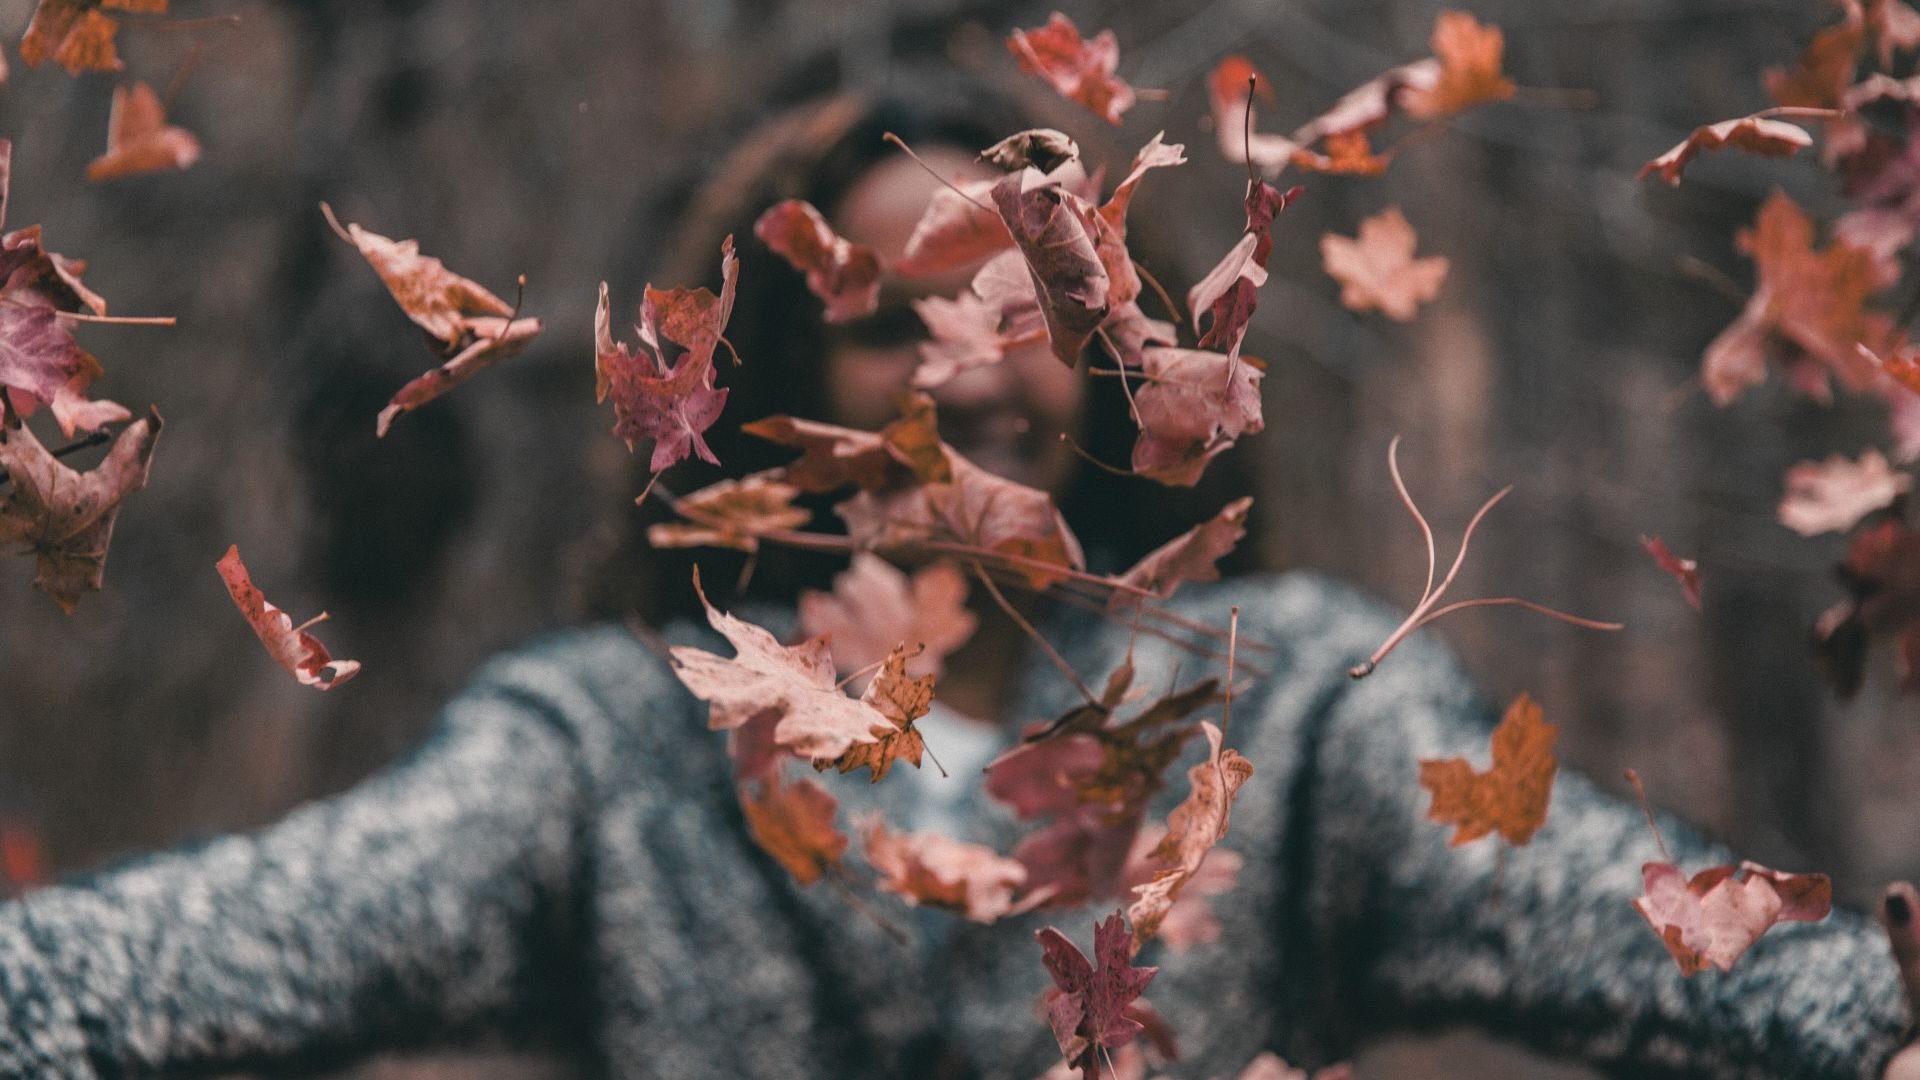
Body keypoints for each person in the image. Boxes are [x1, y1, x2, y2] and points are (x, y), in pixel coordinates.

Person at [0, 45, 1914, 1080]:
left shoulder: (1287, 710)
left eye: (1020, 309)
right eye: (886, 324)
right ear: (775, 383)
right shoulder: (614, 750)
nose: (965, 370)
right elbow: (244, 938)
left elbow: (1639, 934)